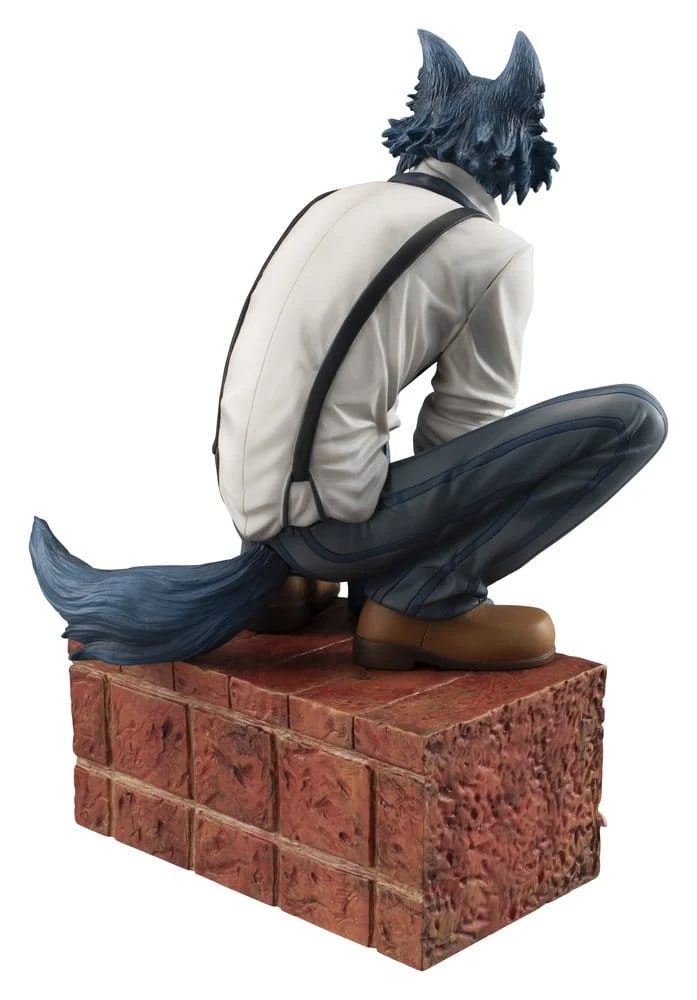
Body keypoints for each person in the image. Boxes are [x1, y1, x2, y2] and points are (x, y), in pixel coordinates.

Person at [30, 29, 668, 671]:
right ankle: (422, 602)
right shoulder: (493, 251)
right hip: (334, 535)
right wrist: (397, 554)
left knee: (348, 389)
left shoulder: (333, 203)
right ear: (518, 138)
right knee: (635, 418)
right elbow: (462, 433)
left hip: (252, 516)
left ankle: (288, 586)